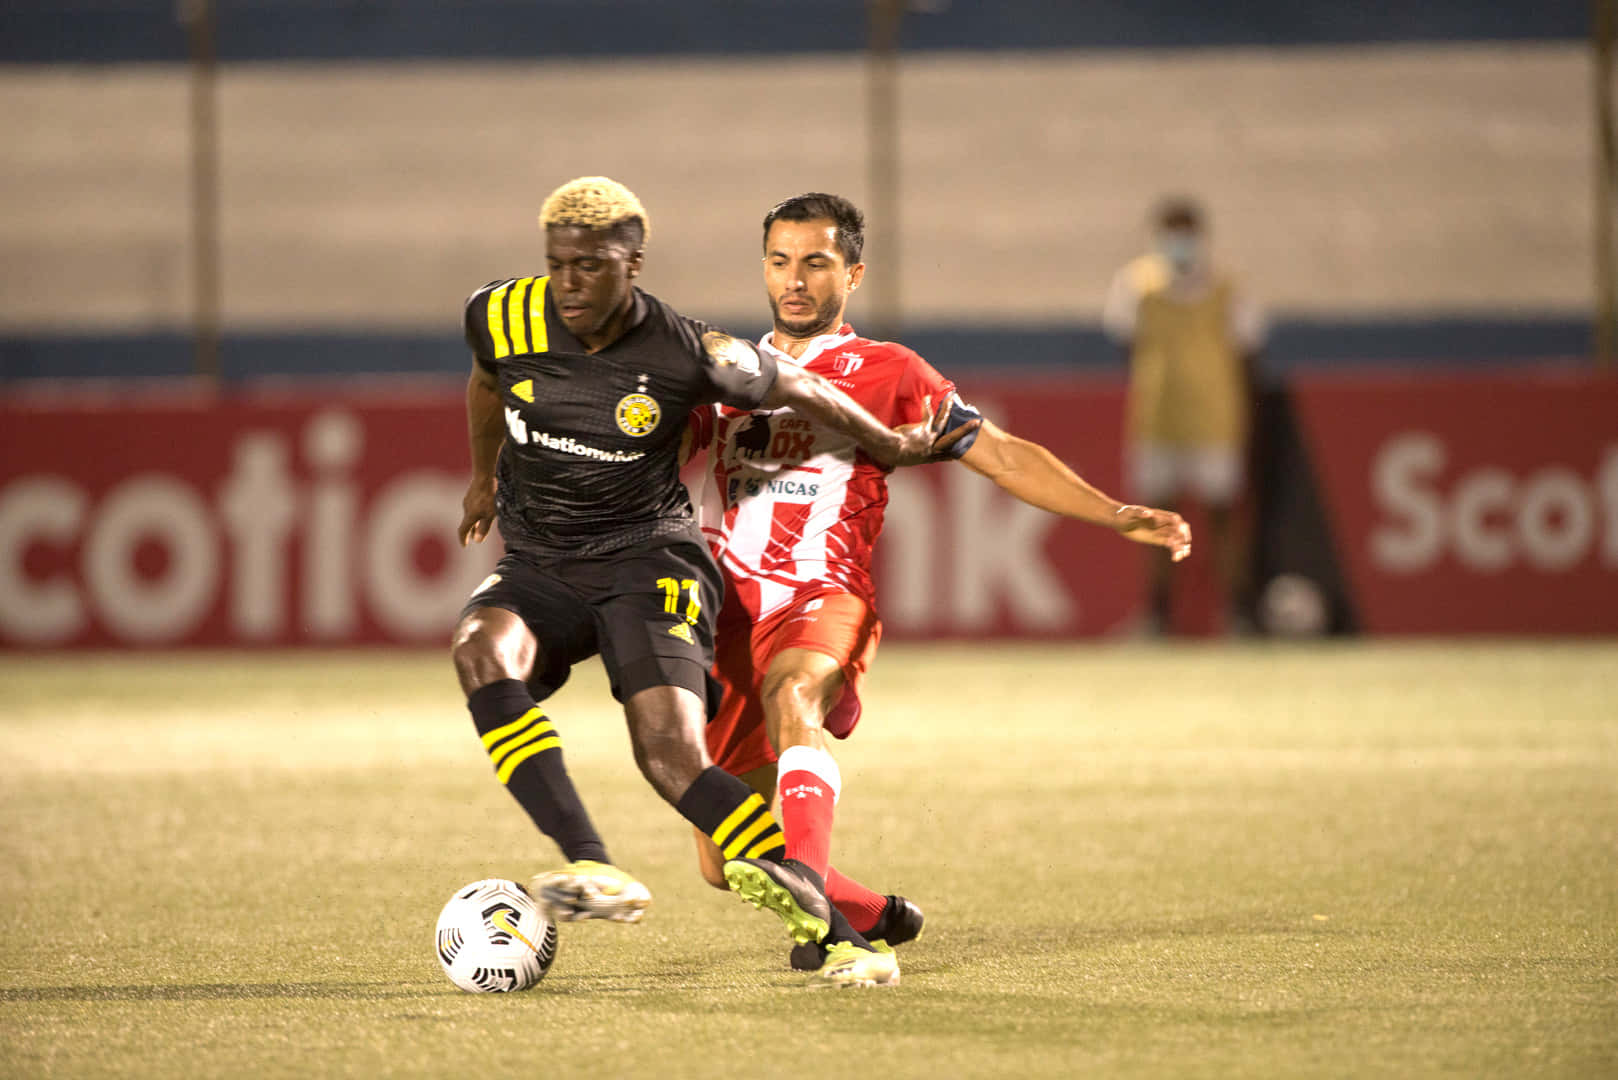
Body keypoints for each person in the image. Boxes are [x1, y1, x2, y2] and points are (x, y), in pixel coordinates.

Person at [451, 177, 966, 974]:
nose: (570, 283)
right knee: (480, 650)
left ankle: (841, 933)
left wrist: (891, 444)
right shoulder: (500, 313)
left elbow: (795, 383)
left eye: (591, 265)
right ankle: (591, 860)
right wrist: (483, 476)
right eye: (558, 265)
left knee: (672, 761)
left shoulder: (689, 349)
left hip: (647, 559)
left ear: (634, 263)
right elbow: (489, 379)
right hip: (543, 563)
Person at [684, 192, 1193, 987]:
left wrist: (1112, 512)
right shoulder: (725, 373)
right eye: (780, 261)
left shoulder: (889, 371)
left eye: (816, 262)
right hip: (723, 618)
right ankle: (874, 911)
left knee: (794, 700)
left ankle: (819, 912)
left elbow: (1003, 455)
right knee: (724, 859)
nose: (795, 280)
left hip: (821, 594)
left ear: (852, 273)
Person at [1102, 196, 1266, 635]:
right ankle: (1156, 617)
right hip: (1157, 418)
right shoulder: (1136, 285)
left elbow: (1248, 352)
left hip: (1215, 419)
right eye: (1171, 231)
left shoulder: (1229, 286)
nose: (1180, 241)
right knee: (1155, 519)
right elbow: (1127, 344)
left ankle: (1238, 615)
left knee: (1223, 516)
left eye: (1186, 231)